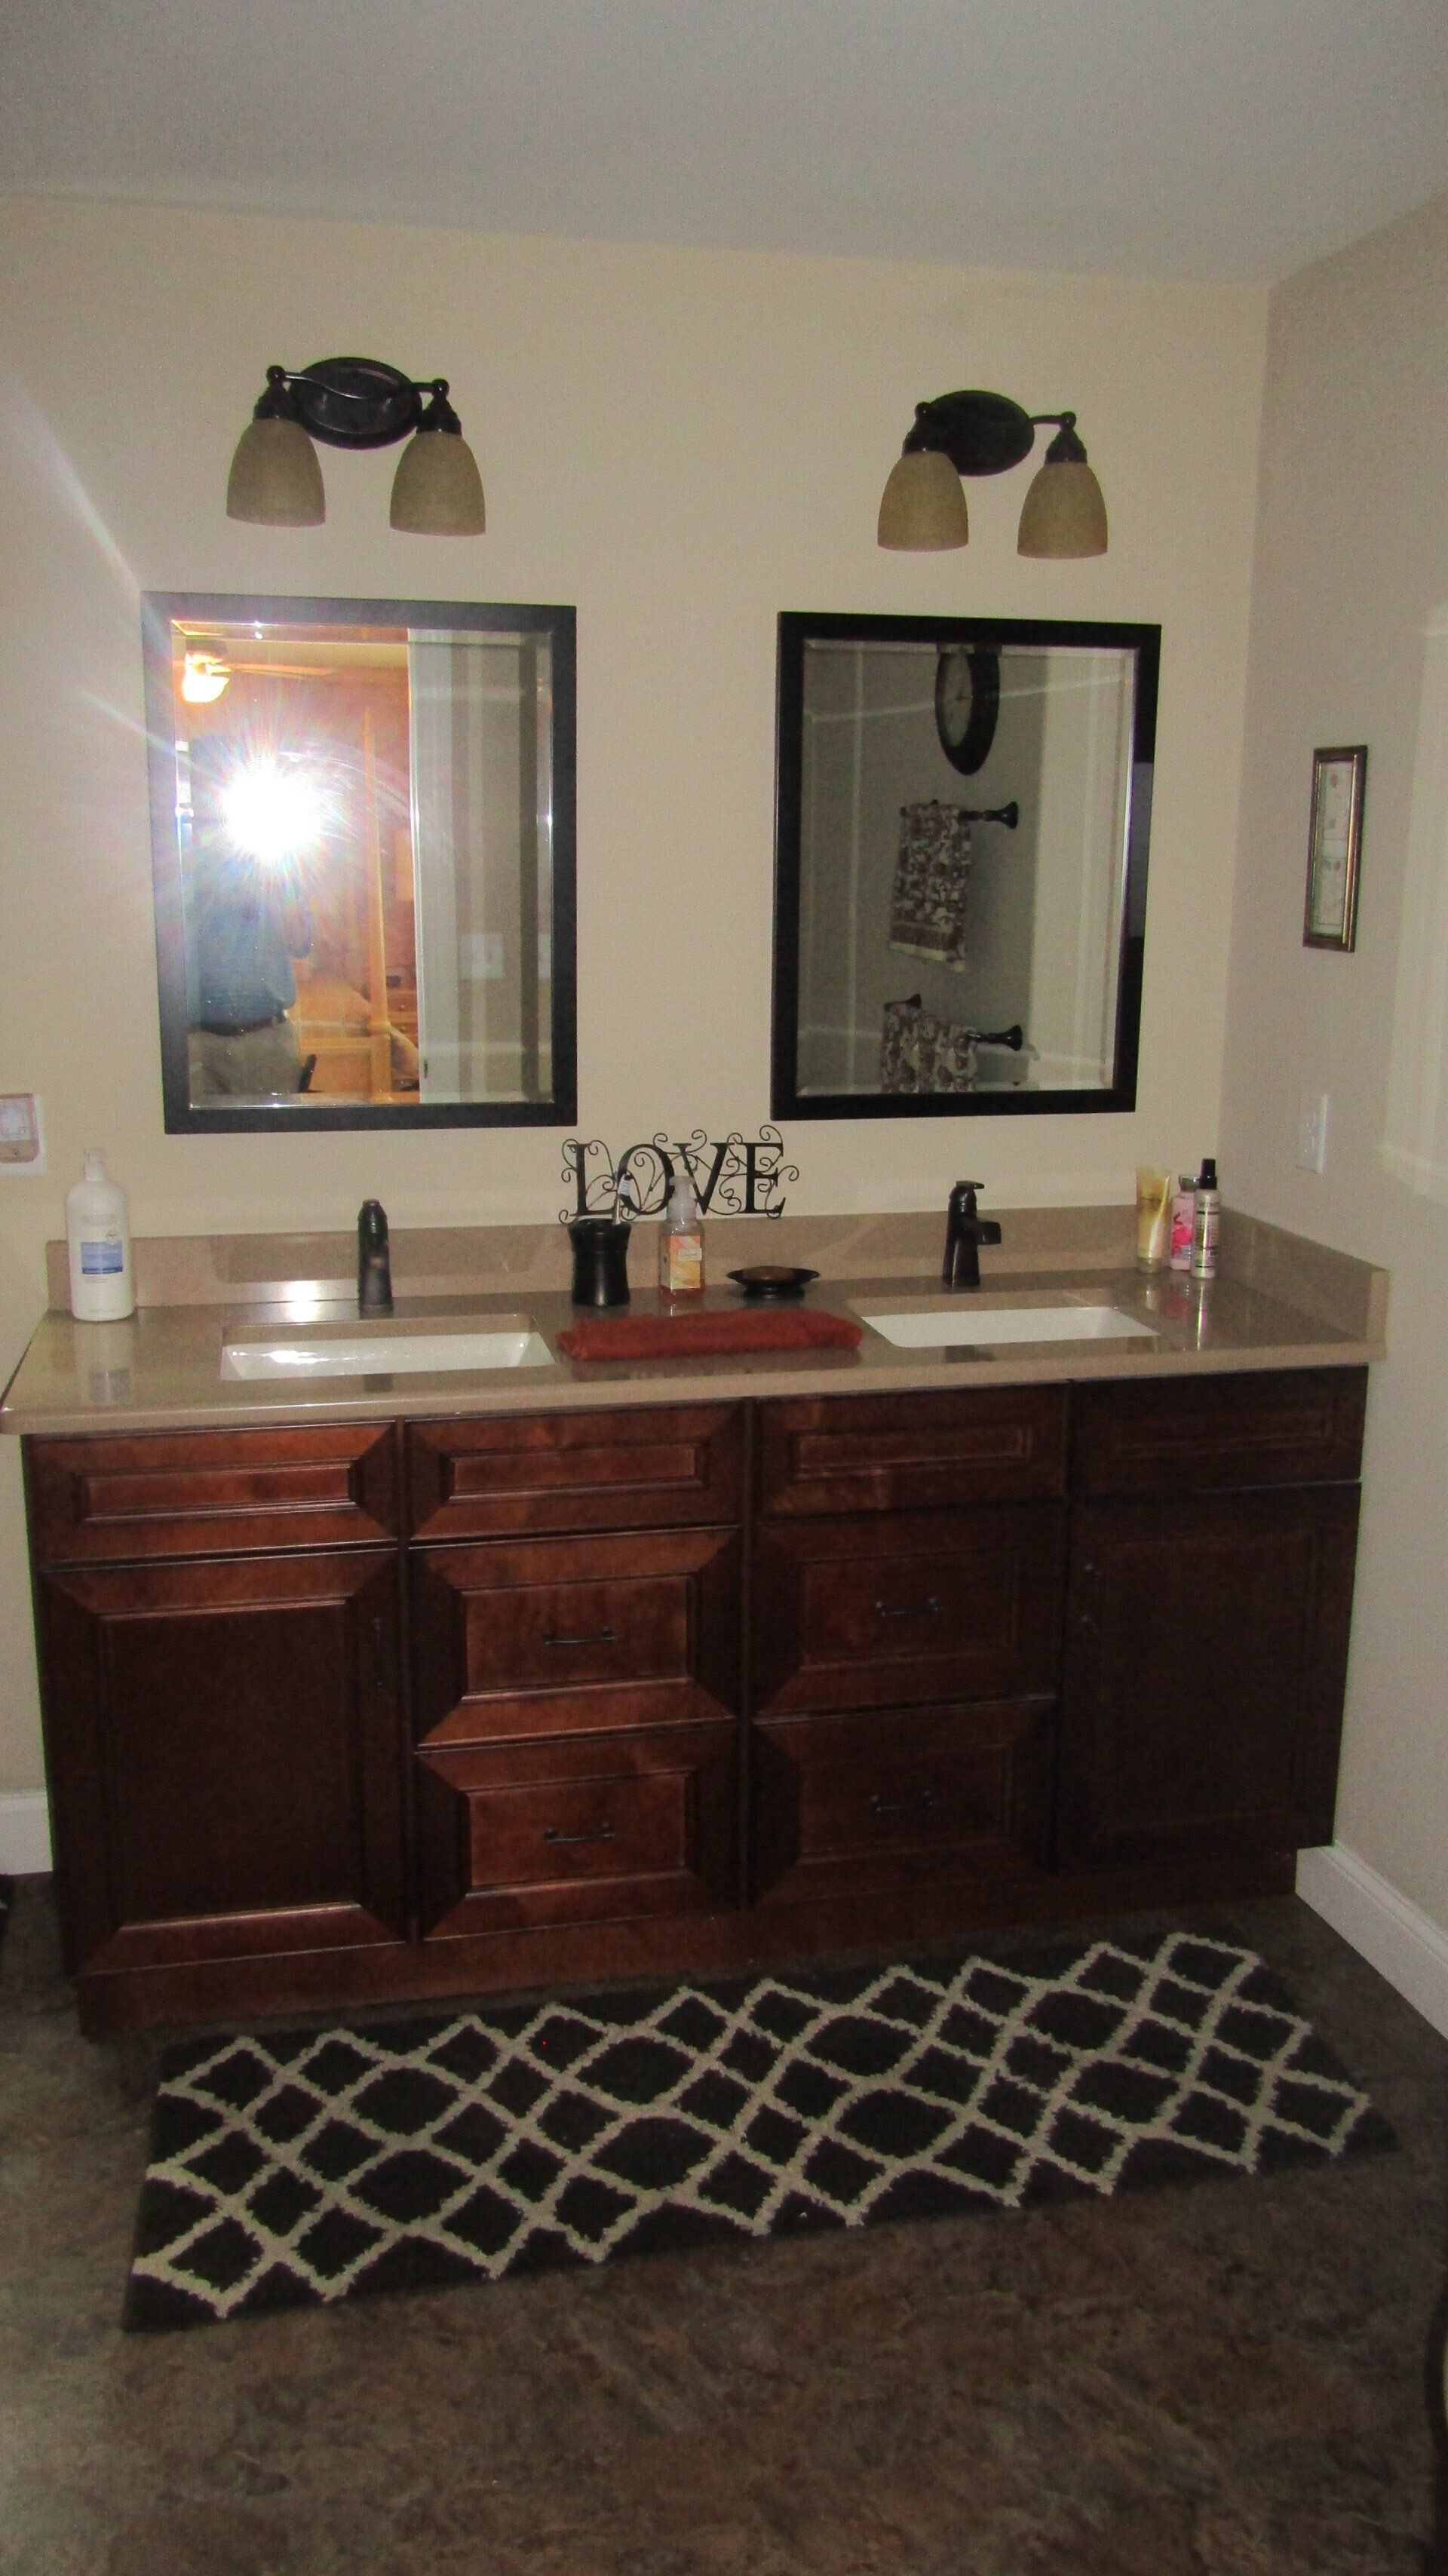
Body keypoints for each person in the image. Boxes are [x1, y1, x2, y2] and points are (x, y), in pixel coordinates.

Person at [183, 744, 314, 1101]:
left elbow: (300, 942)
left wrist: (277, 875)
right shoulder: (178, 858)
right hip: (196, 1043)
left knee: (276, 1138)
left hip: (267, 1041)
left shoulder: (274, 856)